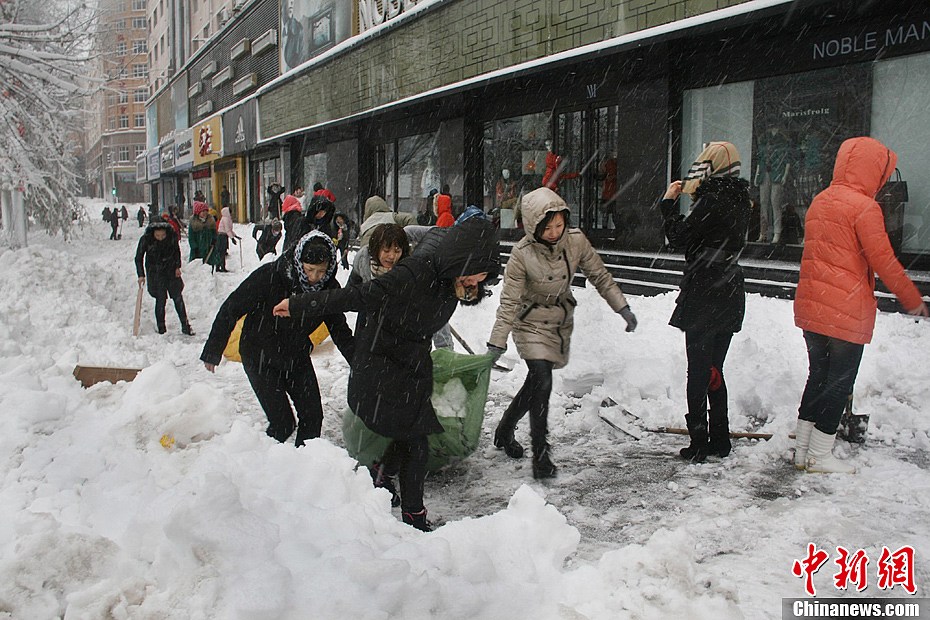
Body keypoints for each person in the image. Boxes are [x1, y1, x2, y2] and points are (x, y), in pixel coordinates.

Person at [272, 218, 501, 531]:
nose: (480, 280)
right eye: (478, 272)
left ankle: (383, 473)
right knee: (417, 440)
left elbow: (437, 234)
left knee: (409, 434)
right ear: (464, 258)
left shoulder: (455, 275)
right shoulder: (415, 273)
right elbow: (359, 296)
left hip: (412, 363)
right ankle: (413, 516)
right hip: (381, 362)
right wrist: (301, 304)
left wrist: (470, 287)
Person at [792, 137, 929, 474]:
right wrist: (913, 300)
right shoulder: (865, 208)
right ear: (875, 172)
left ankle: (801, 451)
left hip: (813, 306)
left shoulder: (821, 201)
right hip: (845, 309)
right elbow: (884, 261)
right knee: (840, 380)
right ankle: (820, 456)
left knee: (818, 376)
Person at [487, 187, 636, 479]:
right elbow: (509, 302)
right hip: (528, 321)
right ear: (533, 226)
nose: (556, 232)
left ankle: (505, 428)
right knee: (542, 381)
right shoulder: (521, 255)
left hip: (558, 320)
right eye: (548, 227)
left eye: (559, 224)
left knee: (535, 383)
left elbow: (600, 275)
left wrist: (623, 308)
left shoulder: (576, 241)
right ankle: (541, 455)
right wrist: (497, 341)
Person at [201, 231, 355, 447]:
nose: (314, 277)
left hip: (296, 356)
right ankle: (262, 466)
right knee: (282, 423)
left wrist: (359, 364)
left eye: (321, 271)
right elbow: (232, 307)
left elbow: (340, 330)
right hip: (260, 354)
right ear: (299, 260)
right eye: (310, 270)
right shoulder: (272, 276)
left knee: (312, 417)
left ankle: (301, 466)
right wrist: (213, 350)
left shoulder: (328, 289)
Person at [659, 141, 749, 463]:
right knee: (714, 368)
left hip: (704, 292)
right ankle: (720, 439)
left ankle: (698, 442)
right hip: (729, 291)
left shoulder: (712, 201)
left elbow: (679, 237)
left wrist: (668, 205)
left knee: (697, 372)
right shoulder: (742, 201)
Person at [135, 221, 193, 336]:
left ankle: (185, 324)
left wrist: (177, 266)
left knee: (178, 298)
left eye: (163, 235)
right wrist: (141, 275)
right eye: (157, 236)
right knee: (160, 300)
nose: (160, 238)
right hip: (155, 274)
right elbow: (138, 258)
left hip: (171, 272)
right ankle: (161, 327)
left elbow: (177, 252)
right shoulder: (146, 240)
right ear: (153, 234)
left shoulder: (171, 238)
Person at [208, 206, 239, 273]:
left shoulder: (227, 219)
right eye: (230, 212)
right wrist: (232, 238)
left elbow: (229, 230)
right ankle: (221, 267)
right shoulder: (226, 219)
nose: (231, 213)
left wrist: (235, 236)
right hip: (222, 237)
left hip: (224, 236)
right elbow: (227, 230)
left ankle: (220, 266)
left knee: (222, 252)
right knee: (221, 252)